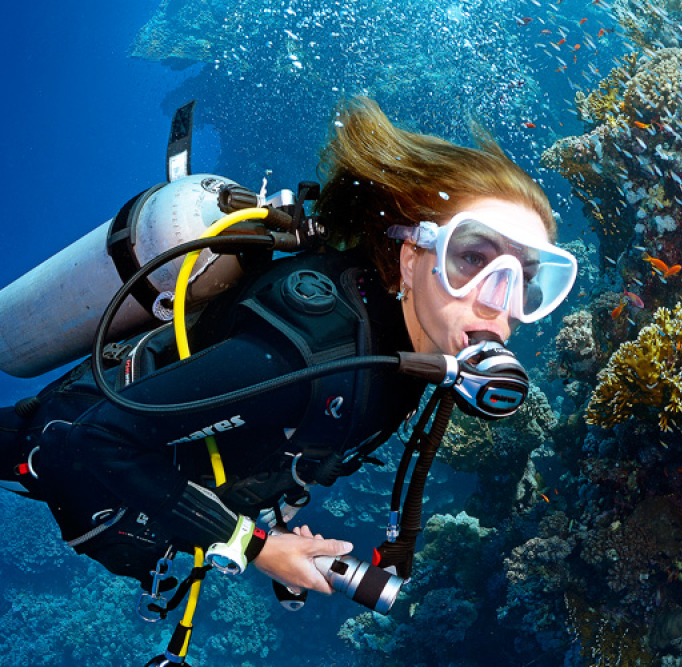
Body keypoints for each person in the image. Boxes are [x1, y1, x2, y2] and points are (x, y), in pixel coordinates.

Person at [0, 97, 576, 601]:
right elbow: (95, 441)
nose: (498, 303)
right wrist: (255, 546)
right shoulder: (311, 356)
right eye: (472, 259)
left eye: (526, 280)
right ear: (409, 256)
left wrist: (273, 512)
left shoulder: (413, 347)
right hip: (68, 442)